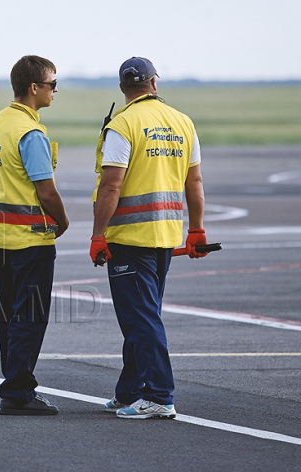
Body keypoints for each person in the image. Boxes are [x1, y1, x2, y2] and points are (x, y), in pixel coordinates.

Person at [89, 57, 208, 419]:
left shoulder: (123, 124)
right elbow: (195, 182)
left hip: (130, 237)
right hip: (165, 236)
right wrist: (197, 230)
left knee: (140, 318)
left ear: (124, 89)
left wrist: (97, 235)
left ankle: (158, 396)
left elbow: (112, 184)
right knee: (142, 315)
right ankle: (129, 392)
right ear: (154, 83)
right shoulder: (182, 122)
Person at [0, 55, 70, 415]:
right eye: (52, 84)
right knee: (30, 316)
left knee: (10, 313)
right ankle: (18, 390)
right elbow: (45, 191)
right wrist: (62, 222)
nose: (55, 90)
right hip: (30, 238)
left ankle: (13, 382)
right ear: (34, 88)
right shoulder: (30, 133)